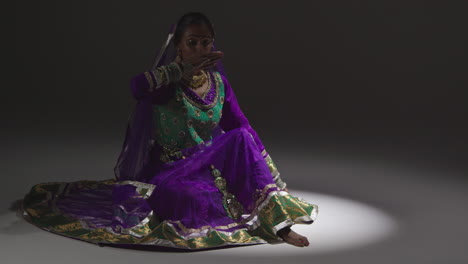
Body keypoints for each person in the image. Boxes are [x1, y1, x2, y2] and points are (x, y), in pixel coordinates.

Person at [20, 12, 318, 250]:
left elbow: (241, 127)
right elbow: (136, 87)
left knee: (240, 138)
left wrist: (271, 177)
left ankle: (280, 227)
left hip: (210, 163)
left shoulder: (218, 83)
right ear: (178, 45)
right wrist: (178, 72)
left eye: (206, 42)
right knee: (190, 203)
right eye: (192, 42)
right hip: (170, 168)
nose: (200, 49)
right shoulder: (163, 84)